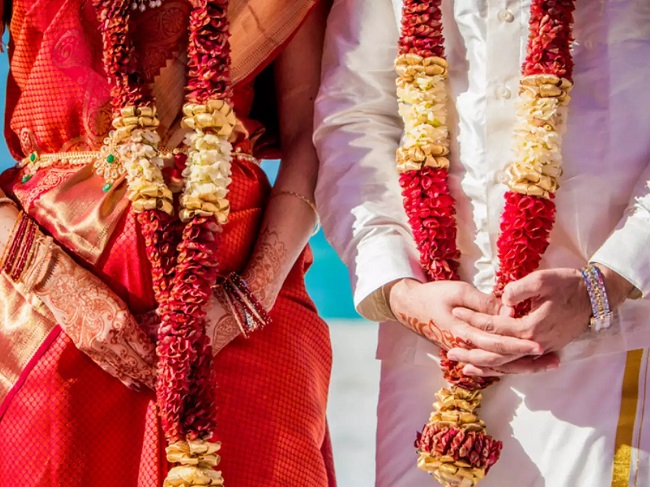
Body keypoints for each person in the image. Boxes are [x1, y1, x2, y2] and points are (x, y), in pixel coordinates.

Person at [314, 0, 650, 486]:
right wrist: (400, 291)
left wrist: (608, 282)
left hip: (611, 335)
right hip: (429, 341)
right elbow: (355, 113)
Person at [0, 0, 335, 485]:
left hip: (238, 294)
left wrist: (247, 299)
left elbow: (313, 137)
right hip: (46, 299)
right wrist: (53, 280)